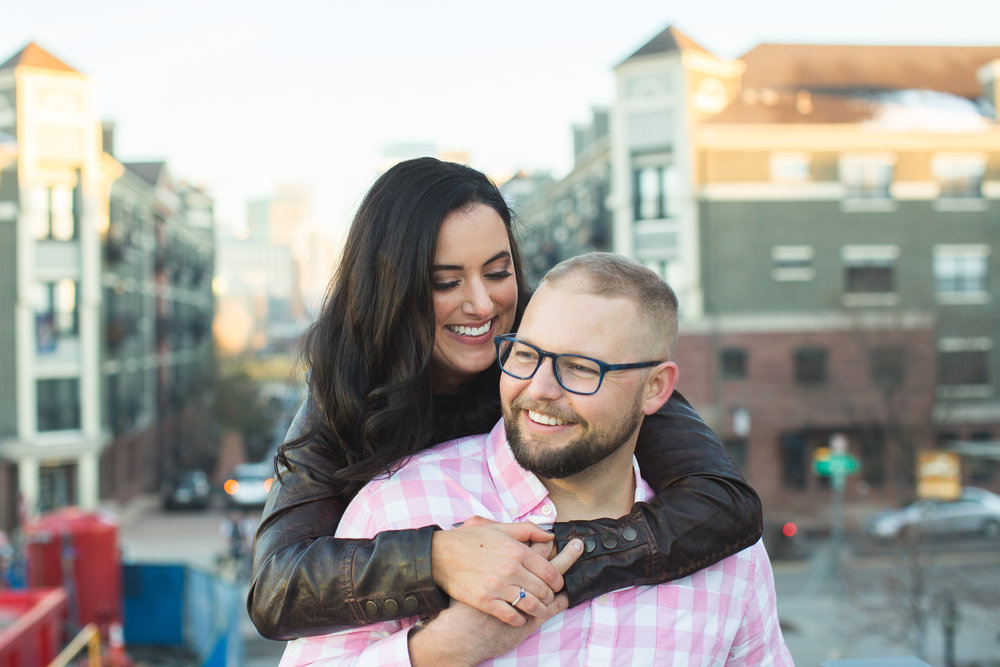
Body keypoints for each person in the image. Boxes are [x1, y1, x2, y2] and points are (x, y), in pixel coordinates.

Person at [249, 157, 763, 640]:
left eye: (498, 273)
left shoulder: (560, 350)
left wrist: (551, 563)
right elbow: (276, 587)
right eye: (446, 282)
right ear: (391, 289)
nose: (482, 303)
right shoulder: (348, 387)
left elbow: (724, 505)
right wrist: (438, 559)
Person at [280, 252, 791, 665]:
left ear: (656, 388)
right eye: (525, 355)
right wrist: (429, 655)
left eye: (580, 368)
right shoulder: (399, 506)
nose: (539, 390)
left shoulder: (729, 559)